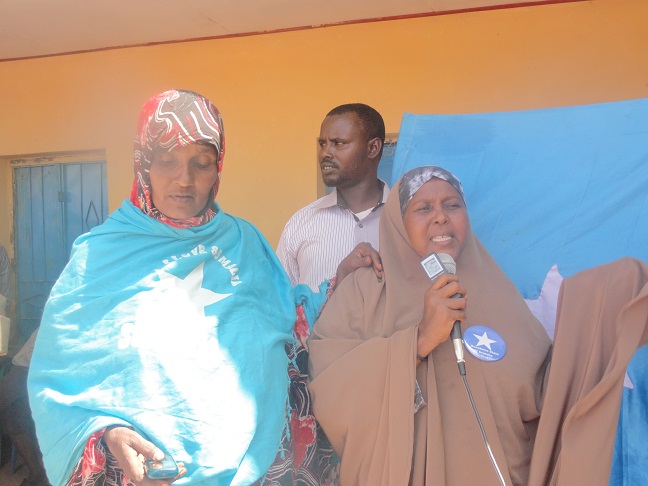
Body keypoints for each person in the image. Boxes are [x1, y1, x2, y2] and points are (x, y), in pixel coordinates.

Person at [308, 165, 648, 486]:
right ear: (397, 222)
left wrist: (596, 312)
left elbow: (542, 391)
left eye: (452, 205)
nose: (441, 216)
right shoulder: (364, 292)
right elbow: (329, 388)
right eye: (423, 208)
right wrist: (419, 341)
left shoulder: (497, 291)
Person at [27, 89, 300, 486]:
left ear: (218, 166)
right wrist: (107, 434)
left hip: (253, 469)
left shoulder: (246, 244)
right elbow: (59, 380)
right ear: (143, 164)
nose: (184, 179)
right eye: (167, 160)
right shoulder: (98, 256)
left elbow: (289, 327)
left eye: (201, 163)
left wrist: (348, 284)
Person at [276, 103, 389, 290]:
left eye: (338, 143)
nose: (325, 153)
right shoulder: (300, 224)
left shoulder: (409, 220)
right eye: (323, 144)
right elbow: (280, 302)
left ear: (373, 148)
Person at [0, 329, 49, 486]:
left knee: (5, 400)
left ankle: (41, 473)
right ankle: (38, 472)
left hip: (30, 368)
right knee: (12, 415)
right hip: (26, 365)